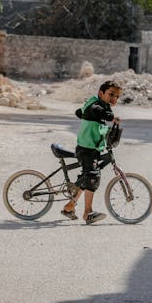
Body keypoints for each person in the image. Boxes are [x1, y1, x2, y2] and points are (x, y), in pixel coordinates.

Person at [61, 80, 122, 225]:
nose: (114, 99)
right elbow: (95, 110)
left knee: (87, 178)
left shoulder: (101, 105)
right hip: (86, 149)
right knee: (93, 177)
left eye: (117, 96)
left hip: (92, 148)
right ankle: (88, 213)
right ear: (101, 93)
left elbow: (79, 113)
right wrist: (110, 117)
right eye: (111, 94)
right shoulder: (95, 105)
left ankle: (69, 206)